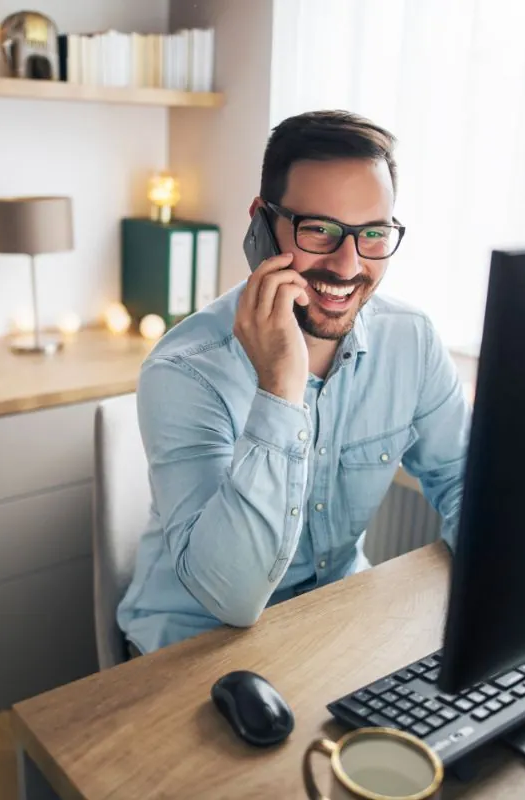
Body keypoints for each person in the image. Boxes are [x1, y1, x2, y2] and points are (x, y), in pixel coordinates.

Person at [116, 110, 471, 656]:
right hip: (193, 643)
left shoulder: (412, 341)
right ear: (261, 224)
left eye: (373, 234)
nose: (349, 264)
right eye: (320, 230)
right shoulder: (185, 369)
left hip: (335, 620)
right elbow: (230, 600)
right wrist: (280, 386)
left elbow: (464, 479)